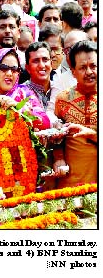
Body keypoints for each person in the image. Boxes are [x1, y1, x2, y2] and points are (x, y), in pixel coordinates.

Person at [53, 40, 97, 187]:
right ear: (73, 72)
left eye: (94, 66)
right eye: (83, 67)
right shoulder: (63, 99)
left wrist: (92, 134)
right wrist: (58, 157)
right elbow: (56, 138)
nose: (90, 72)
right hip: (71, 187)